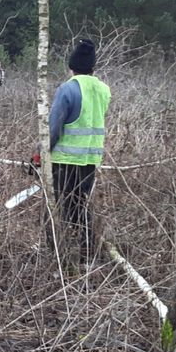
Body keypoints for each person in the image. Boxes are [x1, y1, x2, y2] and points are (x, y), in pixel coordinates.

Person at [47, 38, 111, 262]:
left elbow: (53, 128)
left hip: (65, 159)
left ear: (71, 67)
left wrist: (41, 154)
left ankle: (58, 250)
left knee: (60, 206)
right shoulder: (104, 89)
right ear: (93, 66)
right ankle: (87, 248)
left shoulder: (67, 89)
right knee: (81, 204)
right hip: (91, 159)